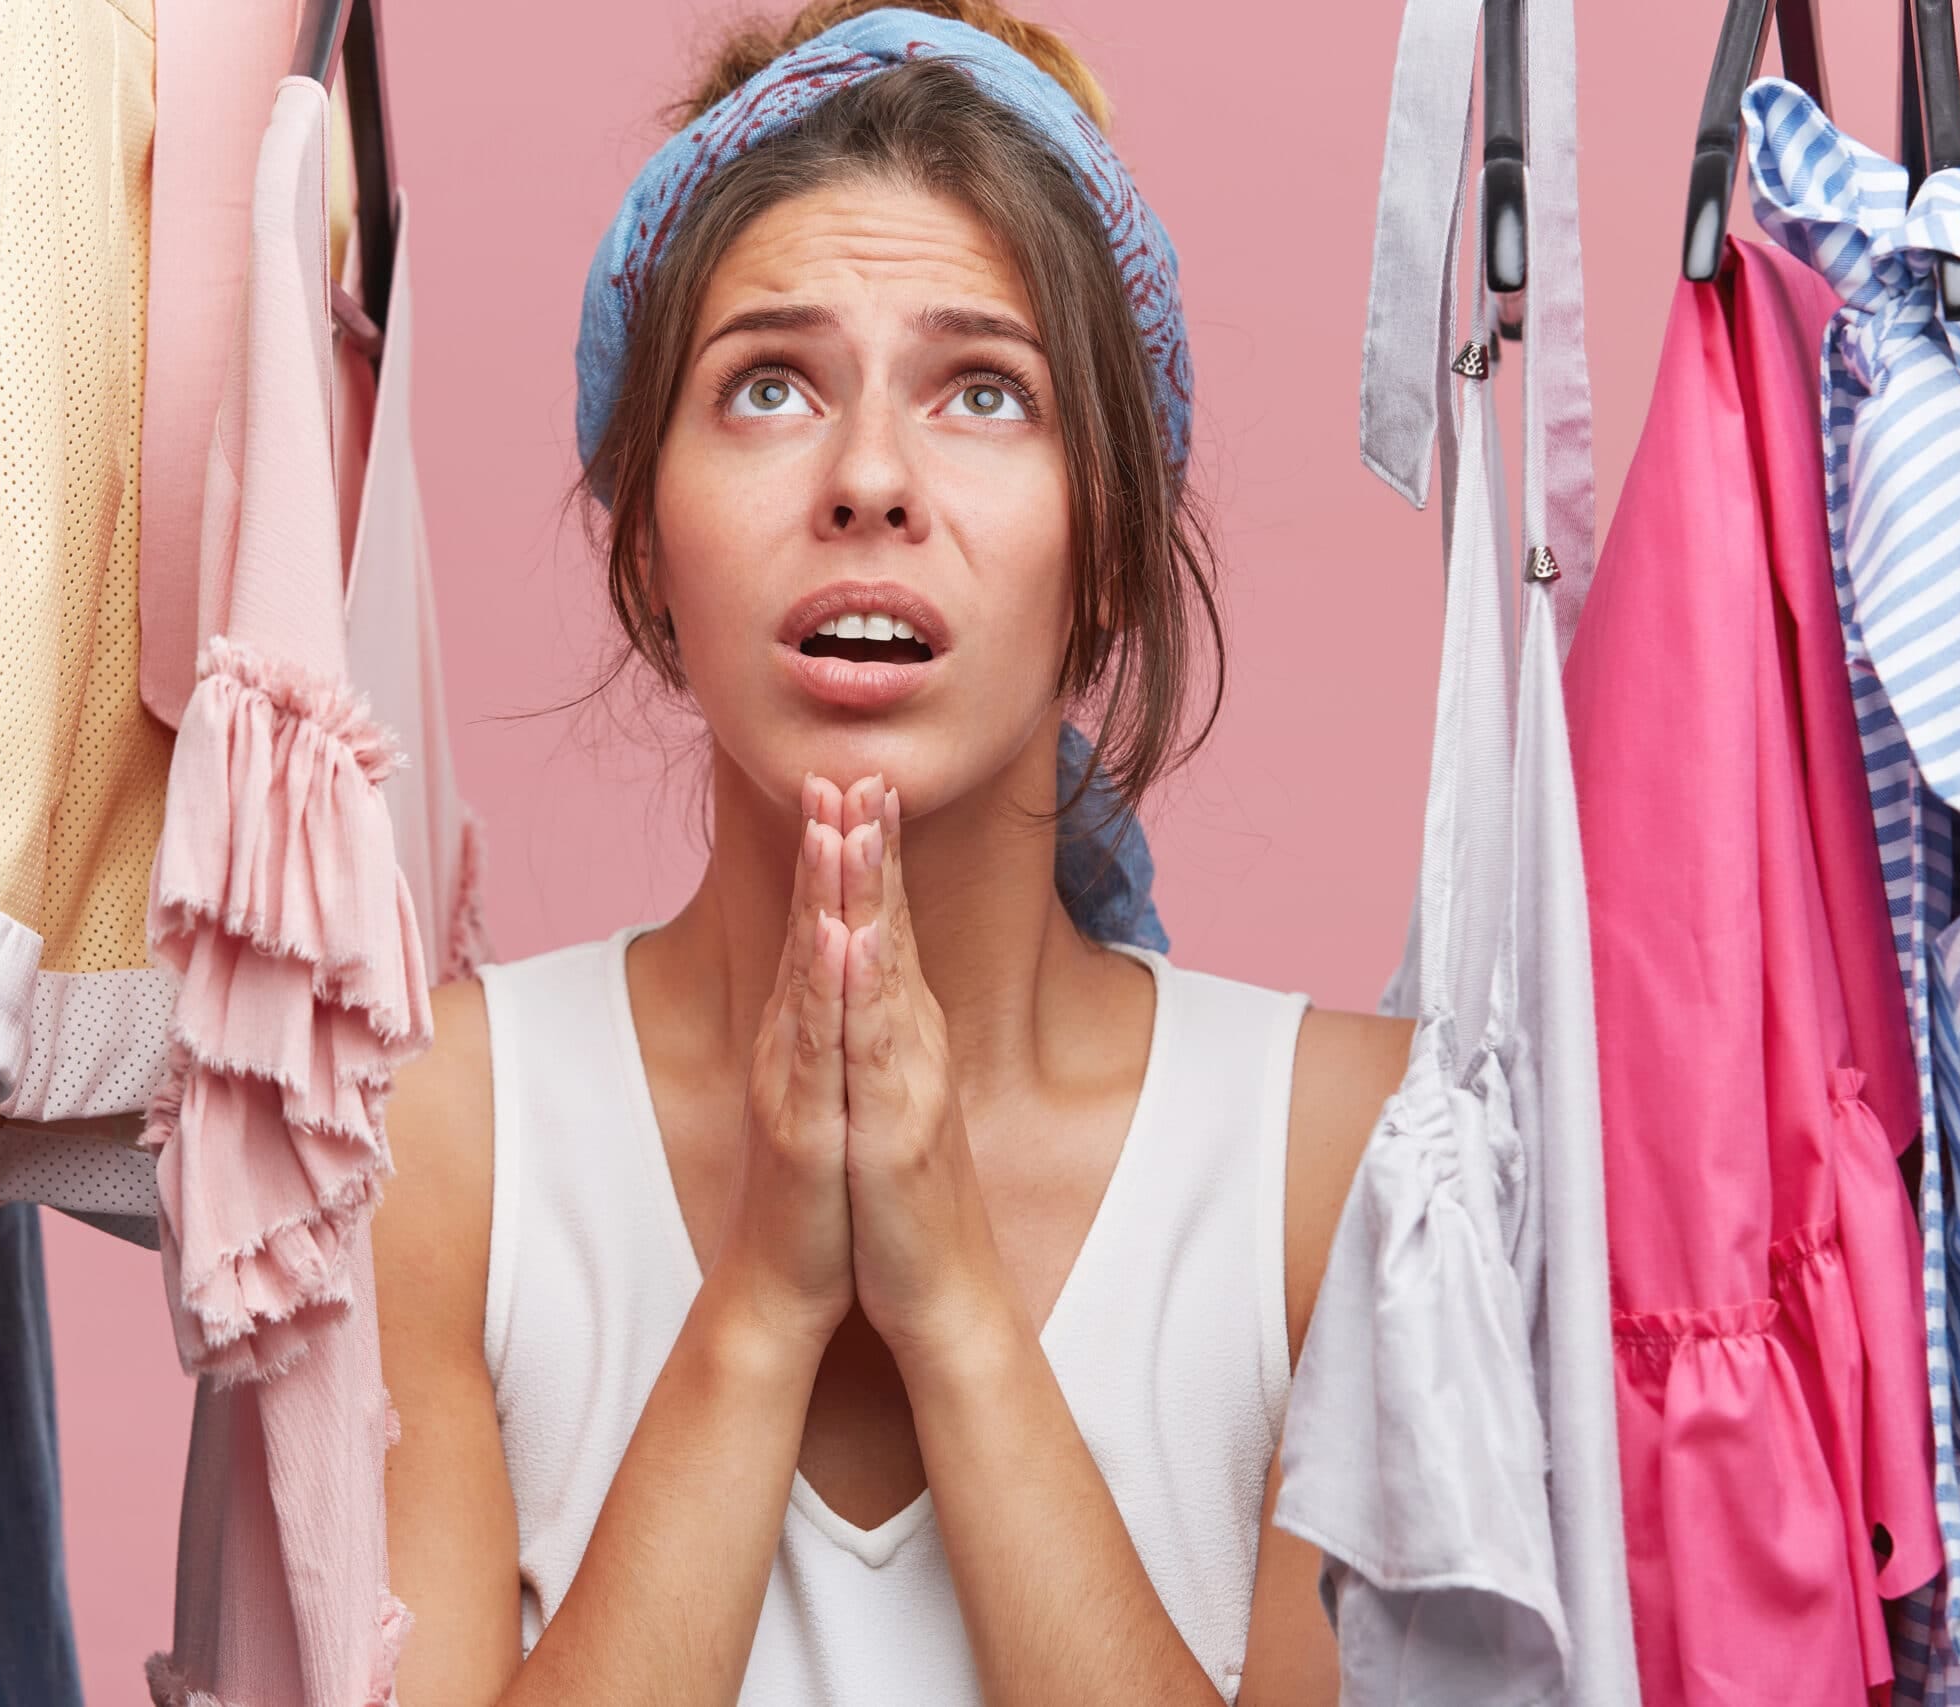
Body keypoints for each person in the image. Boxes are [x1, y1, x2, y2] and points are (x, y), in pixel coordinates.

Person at [374, 3, 1406, 1700]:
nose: (868, 478)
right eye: (768, 386)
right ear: (645, 547)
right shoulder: (432, 1139)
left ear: (1111, 562)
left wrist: (959, 1314)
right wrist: (766, 1302)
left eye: (985, 392)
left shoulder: (1351, 1156)